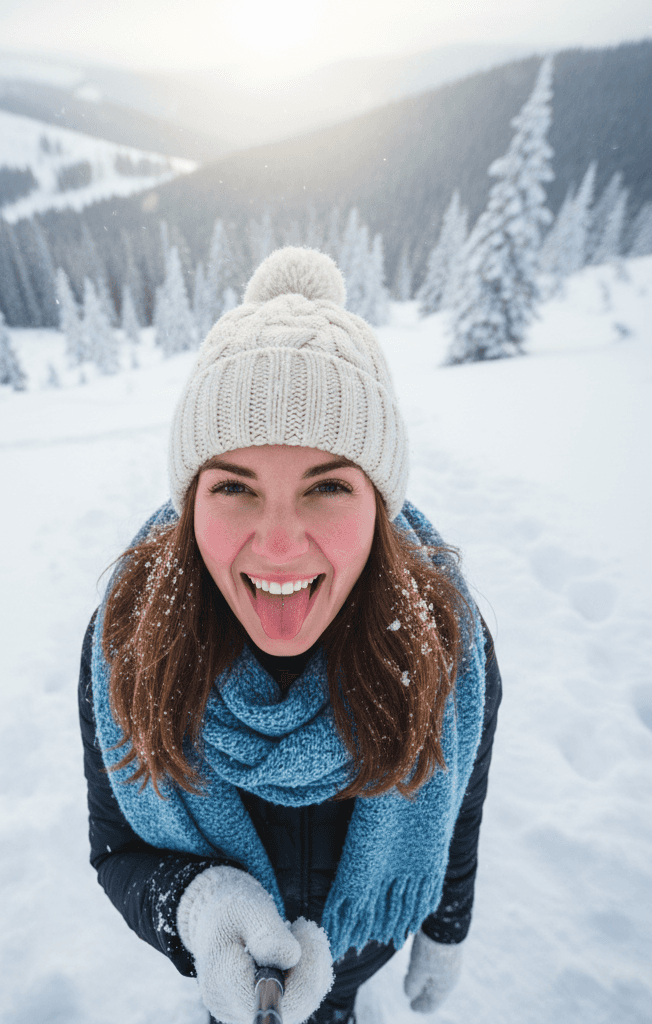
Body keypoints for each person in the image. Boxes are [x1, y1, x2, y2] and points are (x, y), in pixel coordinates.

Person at [79, 247, 502, 1024]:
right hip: (231, 972)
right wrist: (199, 915)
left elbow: (459, 804)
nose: (278, 546)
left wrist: (446, 926)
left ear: (379, 503)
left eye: (330, 485)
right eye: (234, 486)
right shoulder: (127, 647)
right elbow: (119, 852)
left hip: (360, 951)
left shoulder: (447, 641)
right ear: (190, 502)